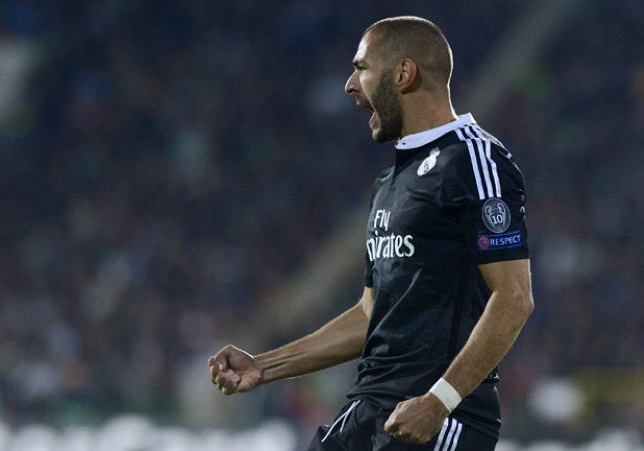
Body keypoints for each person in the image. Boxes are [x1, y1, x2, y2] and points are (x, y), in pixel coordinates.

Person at [209, 16, 534, 451]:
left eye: (361, 68)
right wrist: (263, 367)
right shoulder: (388, 185)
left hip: (437, 417)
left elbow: (514, 297)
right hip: (370, 407)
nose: (350, 85)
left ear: (403, 74)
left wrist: (439, 401)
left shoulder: (474, 161)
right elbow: (371, 315)